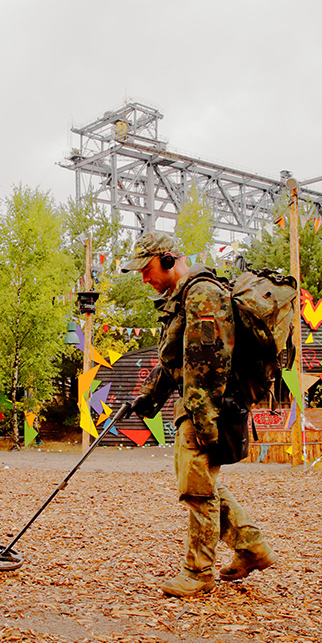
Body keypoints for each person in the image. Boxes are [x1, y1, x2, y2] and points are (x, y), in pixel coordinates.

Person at [120, 231, 277, 598]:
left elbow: (206, 365)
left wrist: (205, 422)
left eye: (148, 269)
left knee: (198, 490)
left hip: (209, 407)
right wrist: (146, 398)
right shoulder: (183, 298)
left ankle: (198, 572)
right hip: (200, 406)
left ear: (170, 260)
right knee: (202, 482)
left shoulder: (203, 294)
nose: (145, 278)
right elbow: (175, 360)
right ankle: (252, 547)